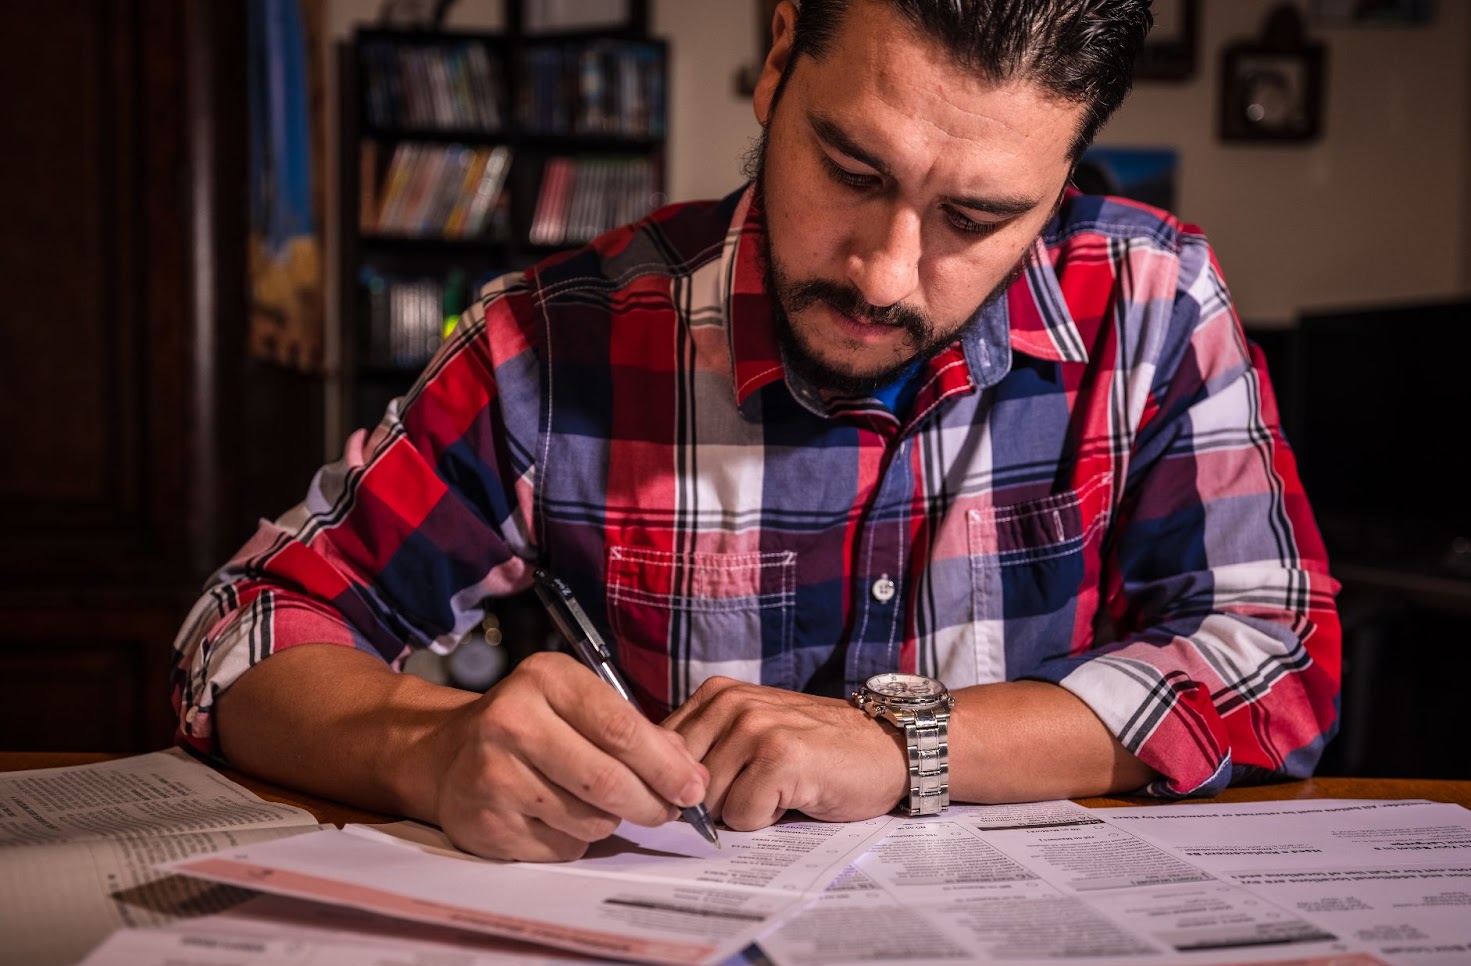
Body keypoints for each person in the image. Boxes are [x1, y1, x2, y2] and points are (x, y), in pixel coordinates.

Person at [172, 0, 1340, 862]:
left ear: (1064, 172)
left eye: (976, 216)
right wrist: (425, 746)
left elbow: (1276, 647)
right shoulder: (554, 341)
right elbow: (241, 632)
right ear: (778, 55)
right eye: (849, 168)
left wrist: (901, 745)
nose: (884, 273)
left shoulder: (1152, 301)